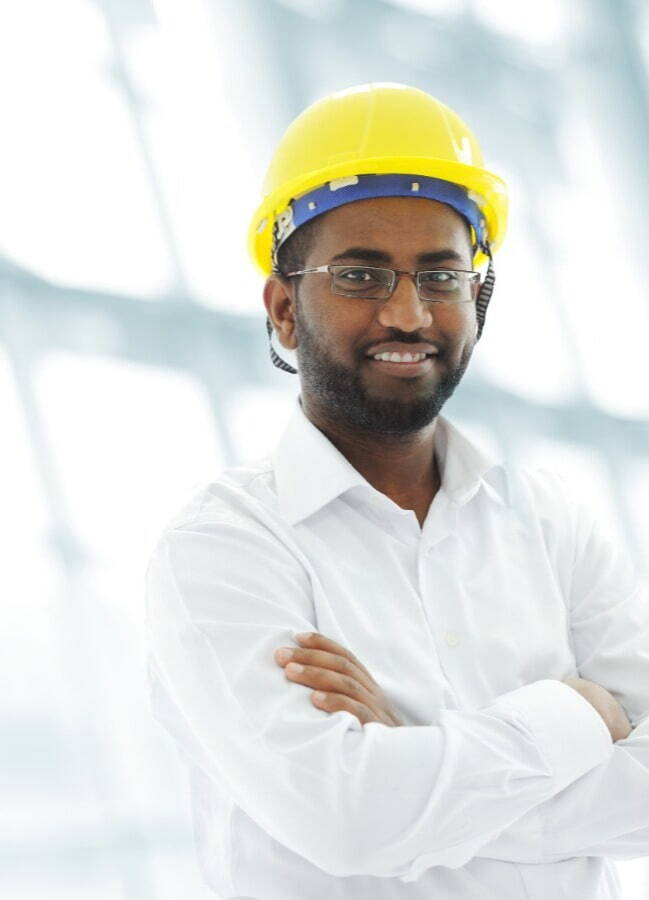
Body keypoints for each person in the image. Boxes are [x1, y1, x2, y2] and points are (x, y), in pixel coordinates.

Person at [145, 83, 649, 899]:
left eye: (440, 277)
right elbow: (348, 820)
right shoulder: (222, 547)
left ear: (475, 302)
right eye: (359, 275)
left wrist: (422, 762)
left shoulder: (551, 521)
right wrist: (577, 716)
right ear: (282, 309)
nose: (408, 314)